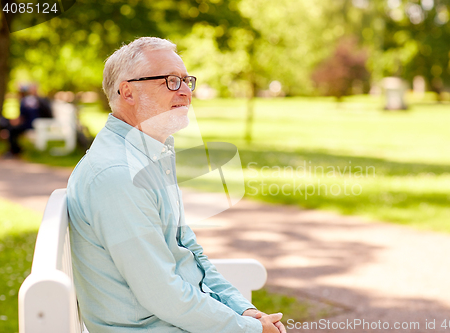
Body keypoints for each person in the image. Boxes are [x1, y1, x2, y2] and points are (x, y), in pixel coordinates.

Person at [67, 37, 286, 333]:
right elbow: (162, 295)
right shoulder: (118, 174)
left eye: (186, 80)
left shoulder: (150, 153)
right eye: (170, 81)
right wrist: (249, 329)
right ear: (128, 92)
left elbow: (188, 248)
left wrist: (243, 309)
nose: (185, 91)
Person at [0, 84, 52, 156]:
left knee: (12, 129)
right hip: (28, 122)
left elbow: (47, 113)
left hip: (35, 124)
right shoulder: (26, 100)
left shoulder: (39, 100)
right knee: (3, 122)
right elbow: (23, 114)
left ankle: (15, 150)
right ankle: (15, 149)